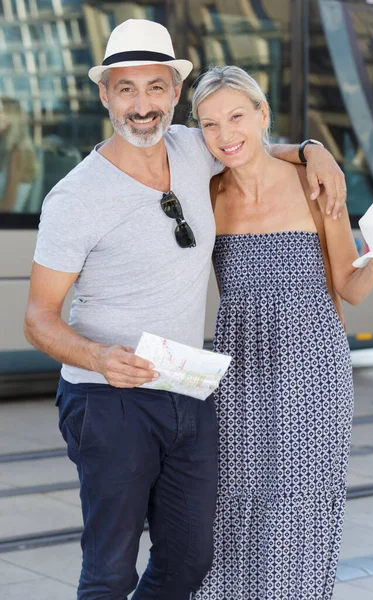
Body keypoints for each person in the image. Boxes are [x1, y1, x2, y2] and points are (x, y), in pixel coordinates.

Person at [24, 19, 346, 600]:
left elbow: (246, 142)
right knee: (110, 572)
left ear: (175, 94)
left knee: (193, 560)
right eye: (126, 88)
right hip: (108, 398)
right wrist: (98, 356)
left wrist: (312, 150)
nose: (142, 105)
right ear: (105, 94)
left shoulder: (193, 148)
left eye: (155, 88)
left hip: (187, 389)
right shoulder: (74, 197)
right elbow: (38, 317)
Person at [190, 65, 373, 600]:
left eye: (237, 116)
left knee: (299, 506)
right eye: (209, 124)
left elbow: (349, 289)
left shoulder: (314, 186)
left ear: (263, 115)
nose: (225, 134)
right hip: (238, 376)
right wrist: (308, 145)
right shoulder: (206, 194)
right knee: (232, 504)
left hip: (313, 371)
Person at [0, 97, 39, 212]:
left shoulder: (19, 153)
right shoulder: (9, 151)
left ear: (12, 118)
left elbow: (8, 206)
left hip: (9, 226)